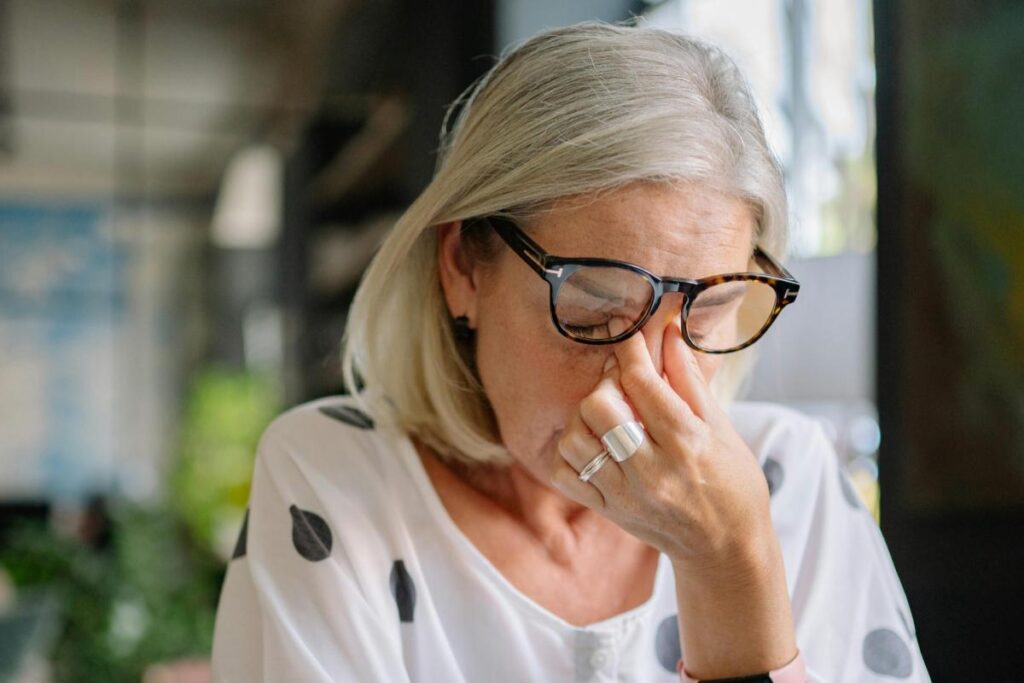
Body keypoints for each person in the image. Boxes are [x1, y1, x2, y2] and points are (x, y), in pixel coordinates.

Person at [210, 19, 930, 682]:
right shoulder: (339, 483)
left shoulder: (790, 481)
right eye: (594, 311)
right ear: (462, 267)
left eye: (706, 313)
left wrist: (728, 563)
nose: (646, 382)